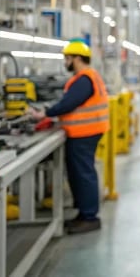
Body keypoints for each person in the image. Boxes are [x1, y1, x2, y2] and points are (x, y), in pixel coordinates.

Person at [28, 40, 110, 235]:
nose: (65, 62)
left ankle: (90, 217)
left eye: (68, 58)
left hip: (85, 133)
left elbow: (68, 104)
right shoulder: (87, 76)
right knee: (79, 174)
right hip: (84, 132)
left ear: (77, 59)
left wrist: (46, 113)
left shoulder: (84, 79)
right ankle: (84, 213)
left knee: (83, 174)